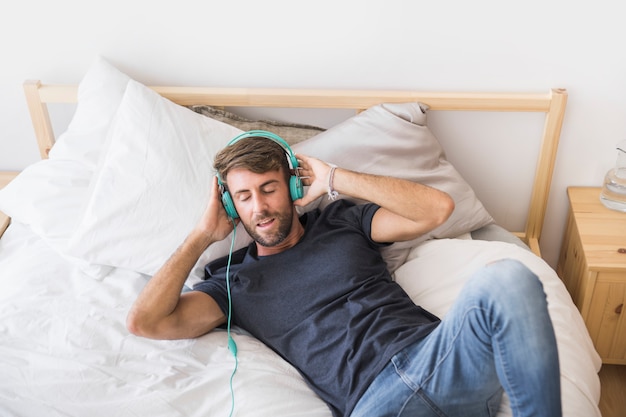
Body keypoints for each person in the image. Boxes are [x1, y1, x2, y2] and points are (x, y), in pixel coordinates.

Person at [126, 132, 561, 417]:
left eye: (269, 188)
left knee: (509, 278)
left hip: (441, 363)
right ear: (231, 206)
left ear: (294, 188)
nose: (258, 206)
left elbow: (438, 209)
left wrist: (334, 177)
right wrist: (203, 234)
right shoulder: (232, 282)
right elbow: (146, 322)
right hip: (377, 403)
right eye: (244, 196)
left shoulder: (342, 221)